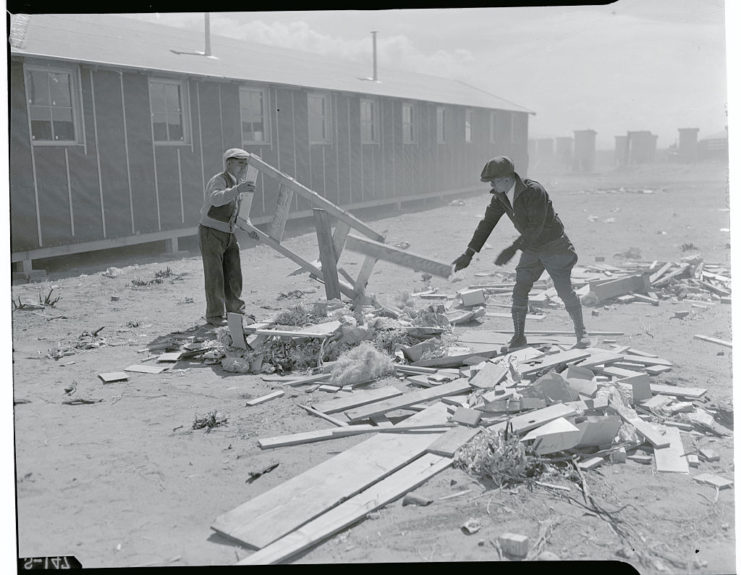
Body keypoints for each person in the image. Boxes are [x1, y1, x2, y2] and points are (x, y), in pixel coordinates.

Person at [452, 155, 590, 349]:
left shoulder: (534, 191)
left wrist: (512, 248)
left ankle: (581, 332)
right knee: (520, 290)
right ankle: (519, 337)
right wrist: (469, 253)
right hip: (532, 248)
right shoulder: (499, 197)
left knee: (564, 290)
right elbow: (486, 224)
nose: (490, 184)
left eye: (493, 180)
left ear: (507, 178)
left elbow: (536, 227)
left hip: (554, 245)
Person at [198, 148, 259, 326]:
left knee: (234, 274)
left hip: (228, 233)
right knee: (214, 275)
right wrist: (237, 189)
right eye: (240, 162)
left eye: (245, 164)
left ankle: (235, 312)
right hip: (211, 232)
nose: (243, 167)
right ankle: (215, 316)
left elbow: (240, 213)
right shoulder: (219, 180)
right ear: (229, 163)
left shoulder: (238, 184)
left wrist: (250, 229)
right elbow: (216, 199)